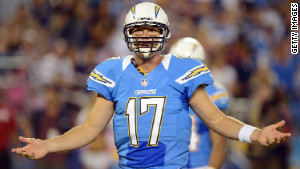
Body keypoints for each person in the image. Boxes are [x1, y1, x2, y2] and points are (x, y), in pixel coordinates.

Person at [12, 2, 291, 169]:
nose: (145, 35)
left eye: (152, 30)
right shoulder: (113, 71)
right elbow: (89, 129)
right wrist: (49, 145)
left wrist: (254, 134)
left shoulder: (182, 70)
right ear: (127, 35)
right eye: (138, 30)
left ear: (164, 34)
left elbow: (216, 119)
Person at [169, 37, 228, 169]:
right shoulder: (162, 91)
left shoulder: (214, 94)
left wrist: (211, 167)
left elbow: (219, 142)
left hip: (201, 165)